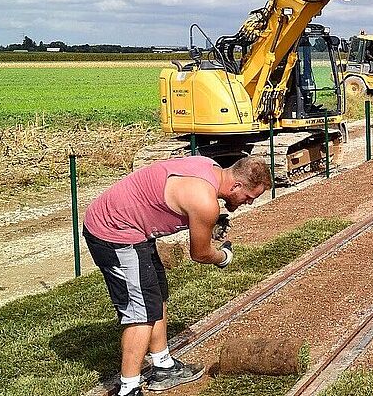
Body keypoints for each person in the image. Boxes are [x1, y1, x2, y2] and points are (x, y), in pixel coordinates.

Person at [83, 155, 270, 395]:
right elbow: (200, 254)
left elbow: (179, 201)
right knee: (141, 312)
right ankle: (128, 388)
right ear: (236, 186)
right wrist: (224, 257)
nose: (249, 203)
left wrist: (208, 225)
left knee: (156, 294)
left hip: (134, 228)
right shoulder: (205, 202)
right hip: (114, 231)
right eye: (249, 197)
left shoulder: (208, 167)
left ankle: (163, 366)